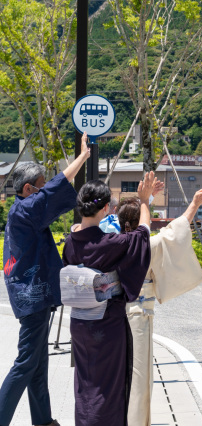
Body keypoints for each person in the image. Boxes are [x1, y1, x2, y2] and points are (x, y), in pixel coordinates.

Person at [0, 133, 90, 426]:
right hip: (33, 297)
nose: (43, 192)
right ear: (28, 189)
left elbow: (50, 191)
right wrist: (83, 157)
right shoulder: (26, 209)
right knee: (26, 363)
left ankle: (44, 421)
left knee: (38, 364)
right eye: (39, 187)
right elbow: (55, 189)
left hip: (33, 296)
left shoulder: (20, 212)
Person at [111, 187, 202, 426]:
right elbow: (174, 231)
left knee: (117, 375)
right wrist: (194, 204)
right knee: (139, 376)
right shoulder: (148, 244)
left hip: (113, 315)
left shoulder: (112, 244)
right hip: (139, 316)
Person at [62, 173, 158, 426]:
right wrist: (144, 201)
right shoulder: (111, 243)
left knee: (85, 384)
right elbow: (142, 234)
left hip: (79, 324)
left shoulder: (70, 243)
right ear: (105, 208)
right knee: (109, 388)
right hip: (107, 323)